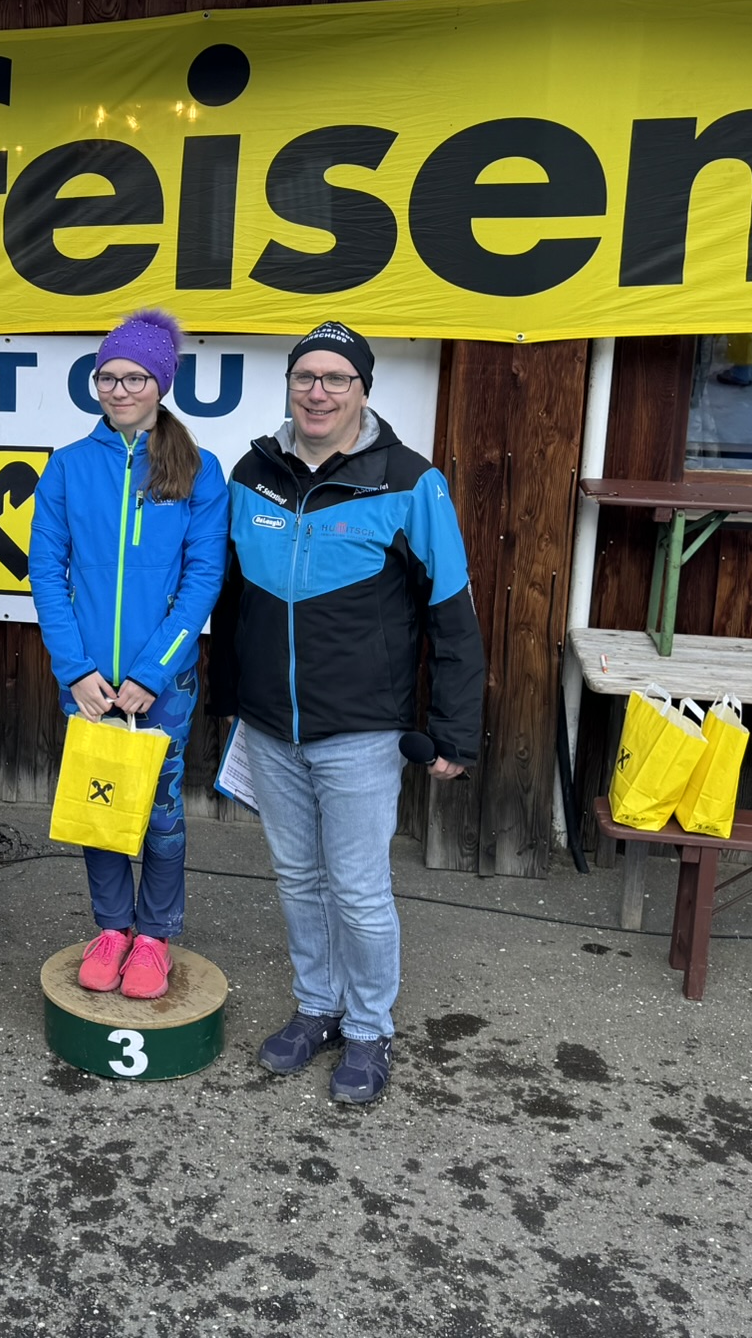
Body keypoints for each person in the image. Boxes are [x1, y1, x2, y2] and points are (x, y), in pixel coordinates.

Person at [208, 321, 484, 1105]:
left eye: (336, 379)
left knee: (358, 889)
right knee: (299, 878)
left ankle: (368, 1028)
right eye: (306, 377)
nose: (318, 392)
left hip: (360, 731)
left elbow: (453, 615)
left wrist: (456, 731)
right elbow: (231, 600)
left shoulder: (411, 481)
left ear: (363, 390)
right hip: (271, 726)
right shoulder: (252, 473)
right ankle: (317, 1008)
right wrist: (229, 701)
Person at [29, 310, 228, 1000]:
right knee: (103, 804)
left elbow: (202, 579)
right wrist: (76, 670)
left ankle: (155, 936)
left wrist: (151, 672)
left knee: (161, 814)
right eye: (107, 377)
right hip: (87, 683)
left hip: (162, 684)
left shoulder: (198, 470)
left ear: (161, 383)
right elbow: (46, 571)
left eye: (134, 378)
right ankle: (112, 928)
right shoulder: (68, 466)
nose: (118, 390)